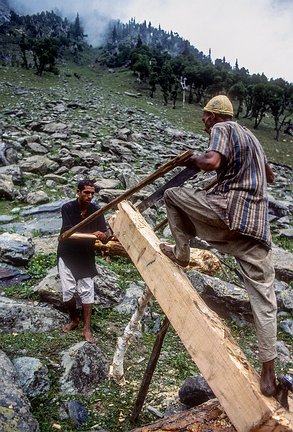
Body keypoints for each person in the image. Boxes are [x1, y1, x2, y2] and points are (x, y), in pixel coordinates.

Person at [159, 95, 278, 398]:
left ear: (214, 116)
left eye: (204, 116)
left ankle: (182, 253)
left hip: (230, 213)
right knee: (265, 302)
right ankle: (268, 375)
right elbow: (268, 175)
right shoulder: (253, 138)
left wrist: (192, 160)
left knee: (173, 195)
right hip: (257, 229)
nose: (203, 121)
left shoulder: (223, 129)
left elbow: (211, 162)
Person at [57, 179, 108, 343]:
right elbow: (68, 231)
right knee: (68, 291)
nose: (90, 196)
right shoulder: (68, 208)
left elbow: (105, 237)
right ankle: (74, 319)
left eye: (92, 193)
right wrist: (94, 232)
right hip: (67, 253)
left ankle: (86, 329)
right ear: (78, 192)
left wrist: (102, 235)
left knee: (87, 291)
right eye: (86, 192)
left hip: (86, 255)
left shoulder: (97, 211)